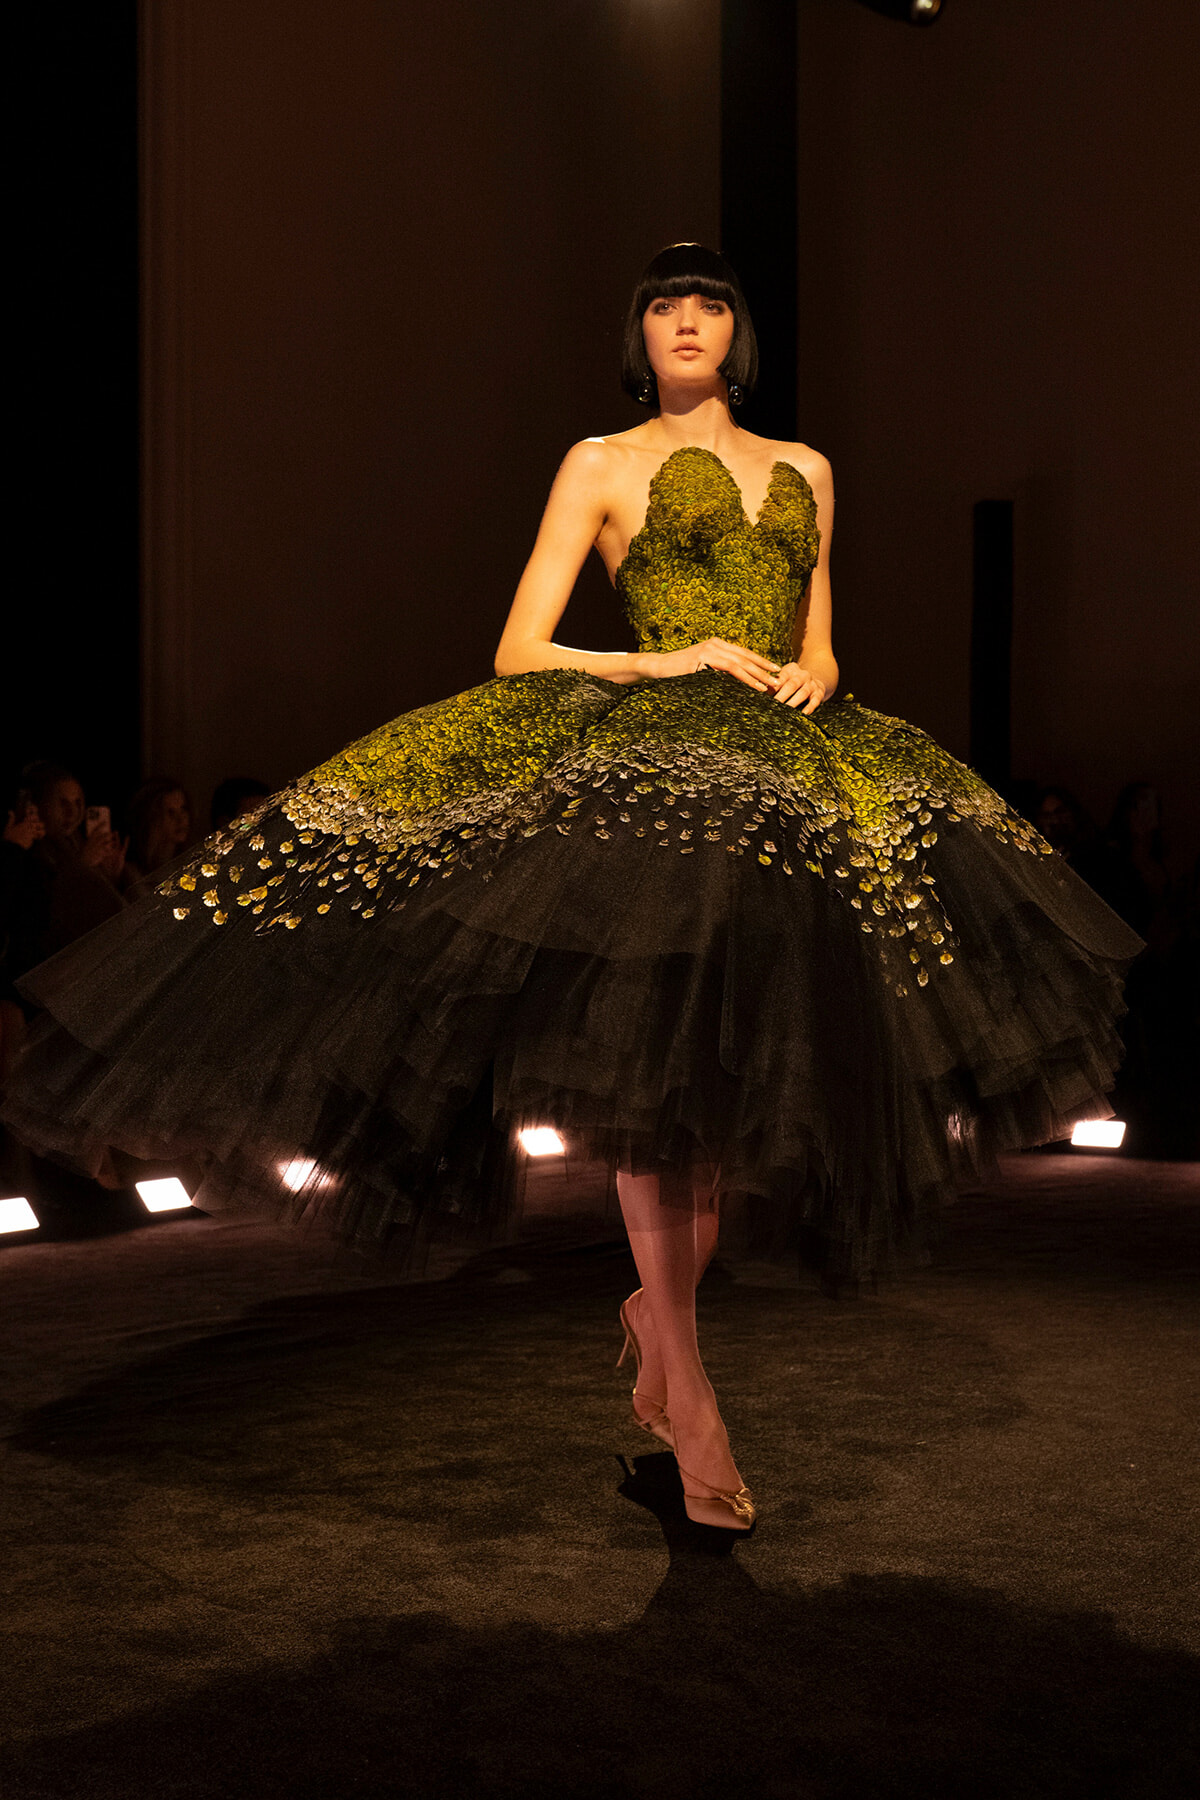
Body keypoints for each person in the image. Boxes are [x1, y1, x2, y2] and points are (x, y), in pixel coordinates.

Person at [2, 245, 1143, 1534]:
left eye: (709, 305)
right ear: (638, 333)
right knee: (656, 1097)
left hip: (787, 782)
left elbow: (822, 641)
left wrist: (815, 674)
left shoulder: (809, 468)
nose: (687, 322)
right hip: (654, 782)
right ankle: (691, 1393)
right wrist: (672, 660)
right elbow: (518, 648)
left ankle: (658, 1318)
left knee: (714, 1118)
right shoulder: (600, 464)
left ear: (739, 330)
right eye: (664, 306)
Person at [122, 778, 193, 897]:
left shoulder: (189, 863)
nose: (181, 819)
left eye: (183, 809)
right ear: (152, 818)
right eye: (170, 812)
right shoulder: (132, 874)